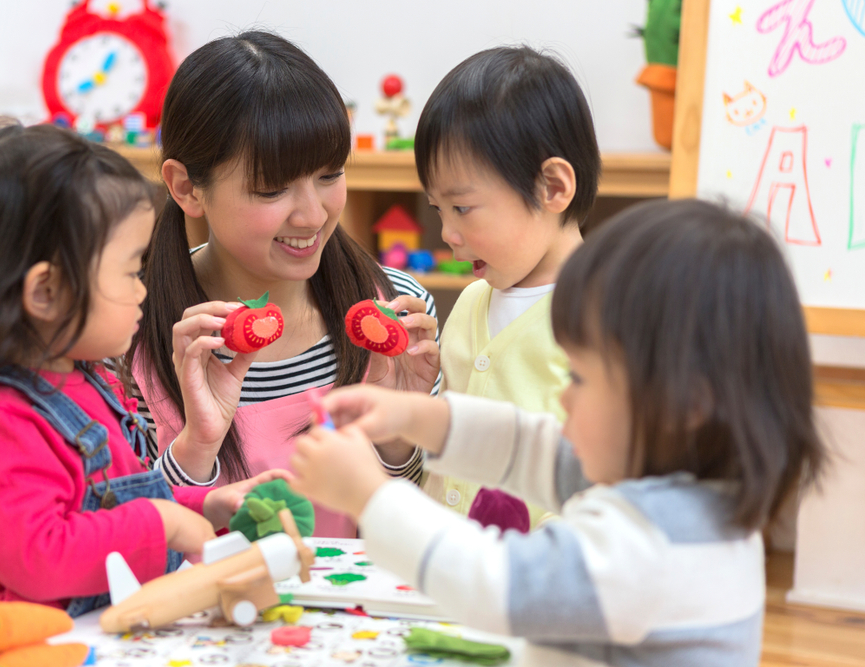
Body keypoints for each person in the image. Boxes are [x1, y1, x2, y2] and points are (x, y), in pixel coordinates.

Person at [291, 199, 827, 665]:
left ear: (685, 404)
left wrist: (370, 496)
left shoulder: (649, 544)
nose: (565, 396)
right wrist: (411, 417)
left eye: (581, 377)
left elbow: (495, 587)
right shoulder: (674, 492)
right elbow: (530, 446)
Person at [0, 122, 284, 666]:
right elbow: (38, 557)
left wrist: (206, 502)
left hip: (100, 637)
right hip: (25, 654)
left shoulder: (91, 379)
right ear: (46, 291)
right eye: (131, 271)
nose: (142, 289)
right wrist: (163, 524)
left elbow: (112, 503)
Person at [126, 31, 441, 538]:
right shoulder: (129, 331)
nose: (313, 215)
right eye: (272, 189)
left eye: (329, 174)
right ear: (186, 188)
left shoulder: (397, 310)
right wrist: (199, 445)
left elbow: (415, 518)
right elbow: (122, 528)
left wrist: (398, 435)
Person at [413, 45, 601, 531]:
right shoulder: (473, 300)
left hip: (537, 585)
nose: (447, 234)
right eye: (437, 210)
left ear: (553, 188)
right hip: (443, 572)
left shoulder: (605, 313)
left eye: (463, 208)